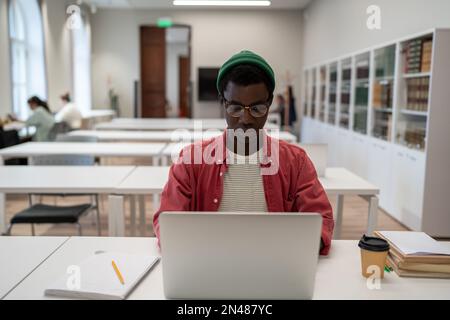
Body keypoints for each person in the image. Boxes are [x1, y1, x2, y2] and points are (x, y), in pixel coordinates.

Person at [153, 50, 334, 255]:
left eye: (257, 108)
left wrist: (300, 248)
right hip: (209, 266)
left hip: (275, 266)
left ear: (269, 103)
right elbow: (167, 219)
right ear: (222, 102)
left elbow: (322, 219)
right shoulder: (190, 161)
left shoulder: (296, 162)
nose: (246, 119)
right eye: (236, 108)